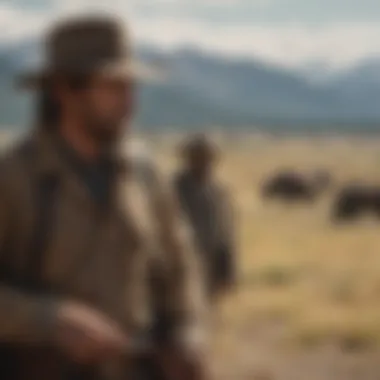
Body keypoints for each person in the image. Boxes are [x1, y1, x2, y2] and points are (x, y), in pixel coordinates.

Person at [0, 15, 207, 380]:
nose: (130, 104)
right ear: (64, 91)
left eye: (131, 88)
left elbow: (180, 266)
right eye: (113, 88)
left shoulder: (145, 174)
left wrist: (187, 330)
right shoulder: (15, 178)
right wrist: (49, 319)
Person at [173, 134, 237, 303]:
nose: (203, 161)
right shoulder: (172, 189)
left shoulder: (218, 191)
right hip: (181, 266)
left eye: (206, 157)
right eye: (197, 156)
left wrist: (228, 269)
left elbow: (226, 232)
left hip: (211, 264)